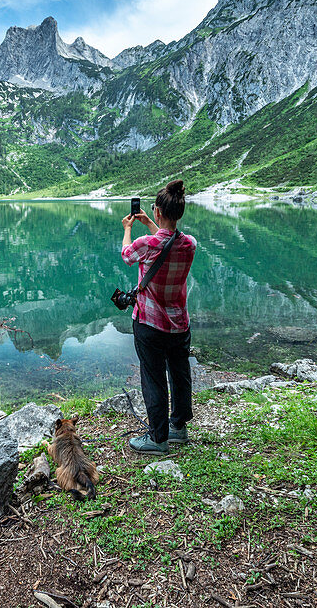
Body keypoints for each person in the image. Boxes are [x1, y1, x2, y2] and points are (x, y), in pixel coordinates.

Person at [120, 179, 197, 455]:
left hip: (151, 324)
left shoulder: (146, 243)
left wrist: (129, 228)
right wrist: (152, 224)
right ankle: (178, 427)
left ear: (158, 212)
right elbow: (168, 241)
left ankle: (157, 438)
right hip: (179, 324)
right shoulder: (190, 244)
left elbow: (128, 254)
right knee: (179, 373)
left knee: (153, 378)